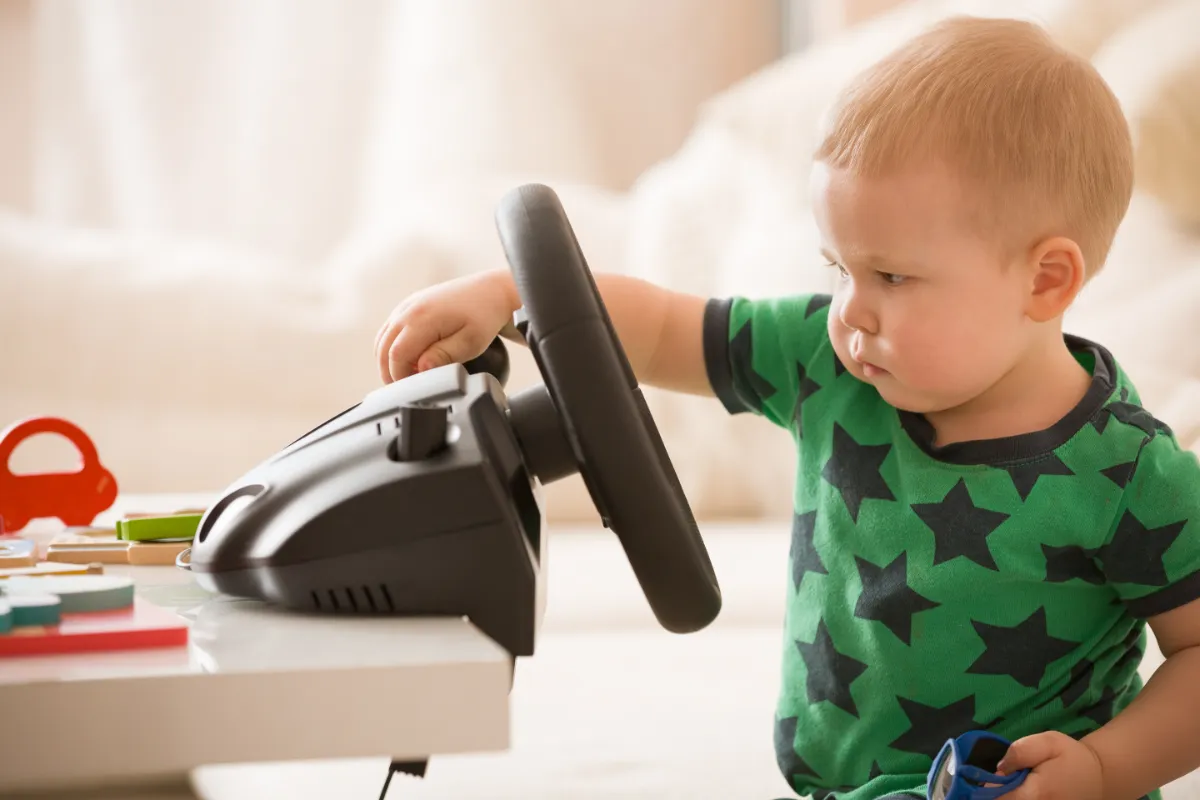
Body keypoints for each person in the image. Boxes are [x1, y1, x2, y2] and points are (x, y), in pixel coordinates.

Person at [373, 16, 1200, 800]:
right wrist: (509, 290)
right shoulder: (827, 360)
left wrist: (1101, 769)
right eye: (837, 269)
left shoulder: (1127, 473)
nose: (850, 309)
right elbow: (660, 328)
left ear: (1046, 280)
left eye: (892, 277)